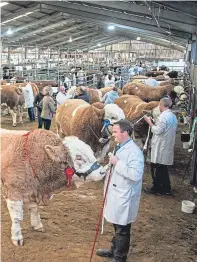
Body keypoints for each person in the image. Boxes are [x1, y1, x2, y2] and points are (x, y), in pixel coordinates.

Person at [96, 120, 144, 262]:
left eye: (116, 132)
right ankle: (114, 250)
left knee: (122, 228)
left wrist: (118, 163)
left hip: (125, 196)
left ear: (125, 133)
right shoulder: (120, 146)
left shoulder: (135, 153)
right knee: (117, 225)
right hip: (116, 194)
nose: (113, 134)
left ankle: (119, 258)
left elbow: (135, 175)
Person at [144, 97, 178, 195]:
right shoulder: (172, 116)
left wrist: (149, 122)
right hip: (167, 144)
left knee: (156, 167)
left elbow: (157, 130)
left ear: (161, 105)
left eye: (159, 104)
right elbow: (164, 127)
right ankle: (166, 188)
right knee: (163, 168)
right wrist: (154, 121)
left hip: (160, 146)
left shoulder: (163, 117)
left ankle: (157, 188)